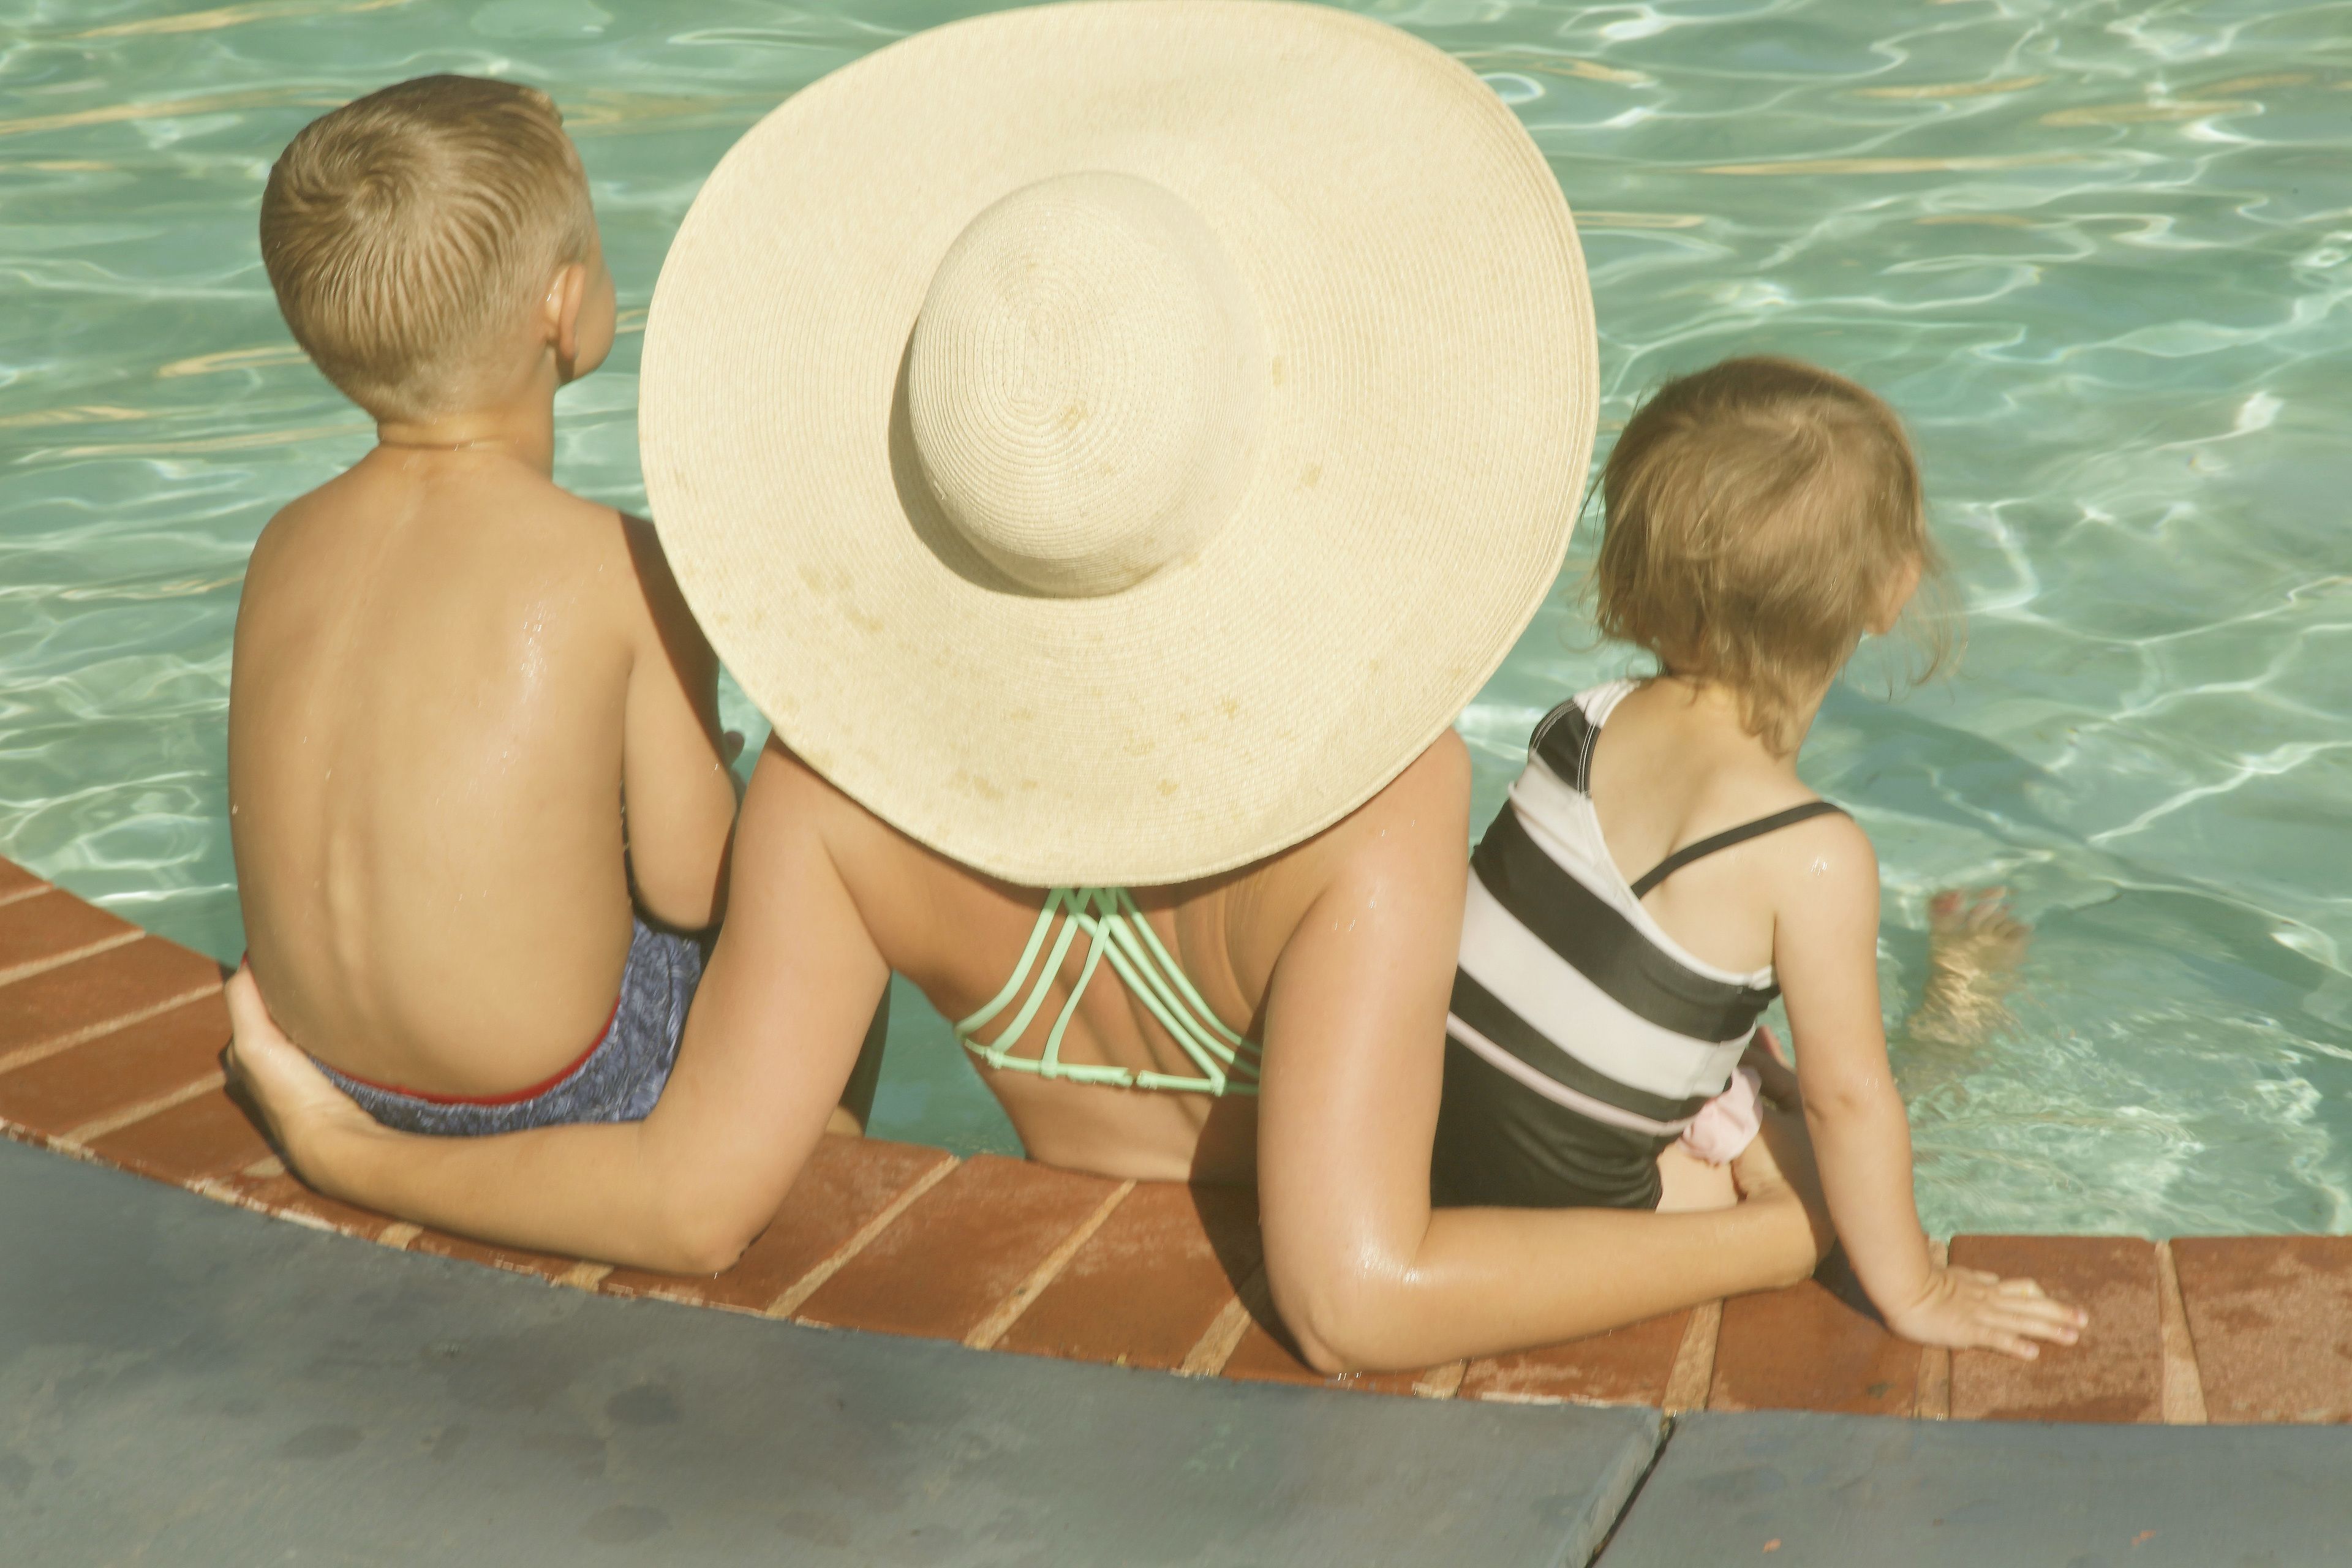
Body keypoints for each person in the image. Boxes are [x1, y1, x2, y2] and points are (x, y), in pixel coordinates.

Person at [229, 1, 1830, 1374]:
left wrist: (353, 1147)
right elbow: (1356, 1295)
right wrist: (1772, 1251)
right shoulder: (1385, 786)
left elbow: (689, 1204)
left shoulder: (833, 791)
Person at [1428, 357, 2084, 1360]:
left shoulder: (1579, 726)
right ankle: (1954, 1019)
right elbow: (1851, 1099)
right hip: (1585, 1215)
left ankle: (1752, 1089)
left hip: (1426, 1131)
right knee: (1842, 1161)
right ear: (1892, 589)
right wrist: (1915, 1288)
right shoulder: (1811, 855)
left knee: (1750, 1057)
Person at [229, 76, 744, 1137]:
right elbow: (698, 890)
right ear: (562, 306)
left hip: (321, 1060)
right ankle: (814, 1160)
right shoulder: (618, 565)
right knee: (820, 831)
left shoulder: (281, 543)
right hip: (564, 1091)